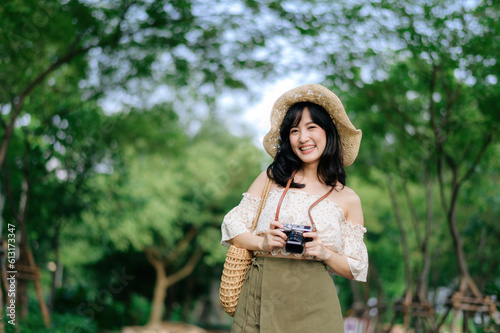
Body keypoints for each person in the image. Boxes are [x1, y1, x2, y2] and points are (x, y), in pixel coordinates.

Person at [221, 84, 368, 333]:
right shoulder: (271, 178)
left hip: (316, 304)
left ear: (328, 133)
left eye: (312, 127)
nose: (303, 138)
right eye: (294, 130)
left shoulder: (349, 199)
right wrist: (262, 243)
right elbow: (232, 227)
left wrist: (326, 253)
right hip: (260, 294)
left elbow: (356, 267)